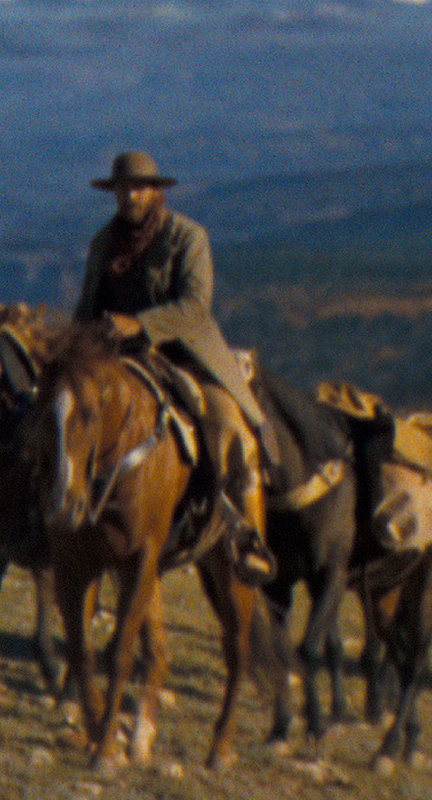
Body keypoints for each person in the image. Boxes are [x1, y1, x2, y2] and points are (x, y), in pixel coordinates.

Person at [68, 148, 287, 548]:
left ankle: (249, 538)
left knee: (229, 426)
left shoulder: (187, 236)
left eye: (138, 188)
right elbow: (85, 309)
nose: (129, 196)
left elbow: (195, 306)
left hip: (187, 356)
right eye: (122, 189)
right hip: (121, 359)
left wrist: (139, 323)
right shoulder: (103, 243)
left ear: (155, 191)